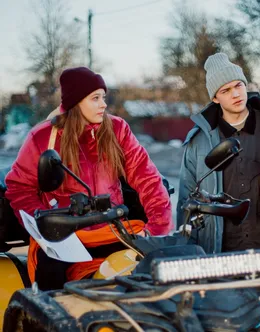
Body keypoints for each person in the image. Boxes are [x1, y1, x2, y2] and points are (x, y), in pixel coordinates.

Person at [5, 67, 173, 290]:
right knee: (51, 293)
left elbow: (148, 178)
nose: (103, 104)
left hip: (113, 229)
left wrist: (157, 230)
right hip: (66, 238)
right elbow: (19, 188)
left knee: (154, 277)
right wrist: (45, 225)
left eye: (103, 97)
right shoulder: (42, 137)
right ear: (75, 102)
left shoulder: (117, 129)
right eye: (95, 98)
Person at [177, 53, 260, 254]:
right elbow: (186, 199)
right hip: (218, 251)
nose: (235, 94)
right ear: (215, 98)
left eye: (238, 86)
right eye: (226, 90)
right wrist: (186, 249)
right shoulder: (198, 141)